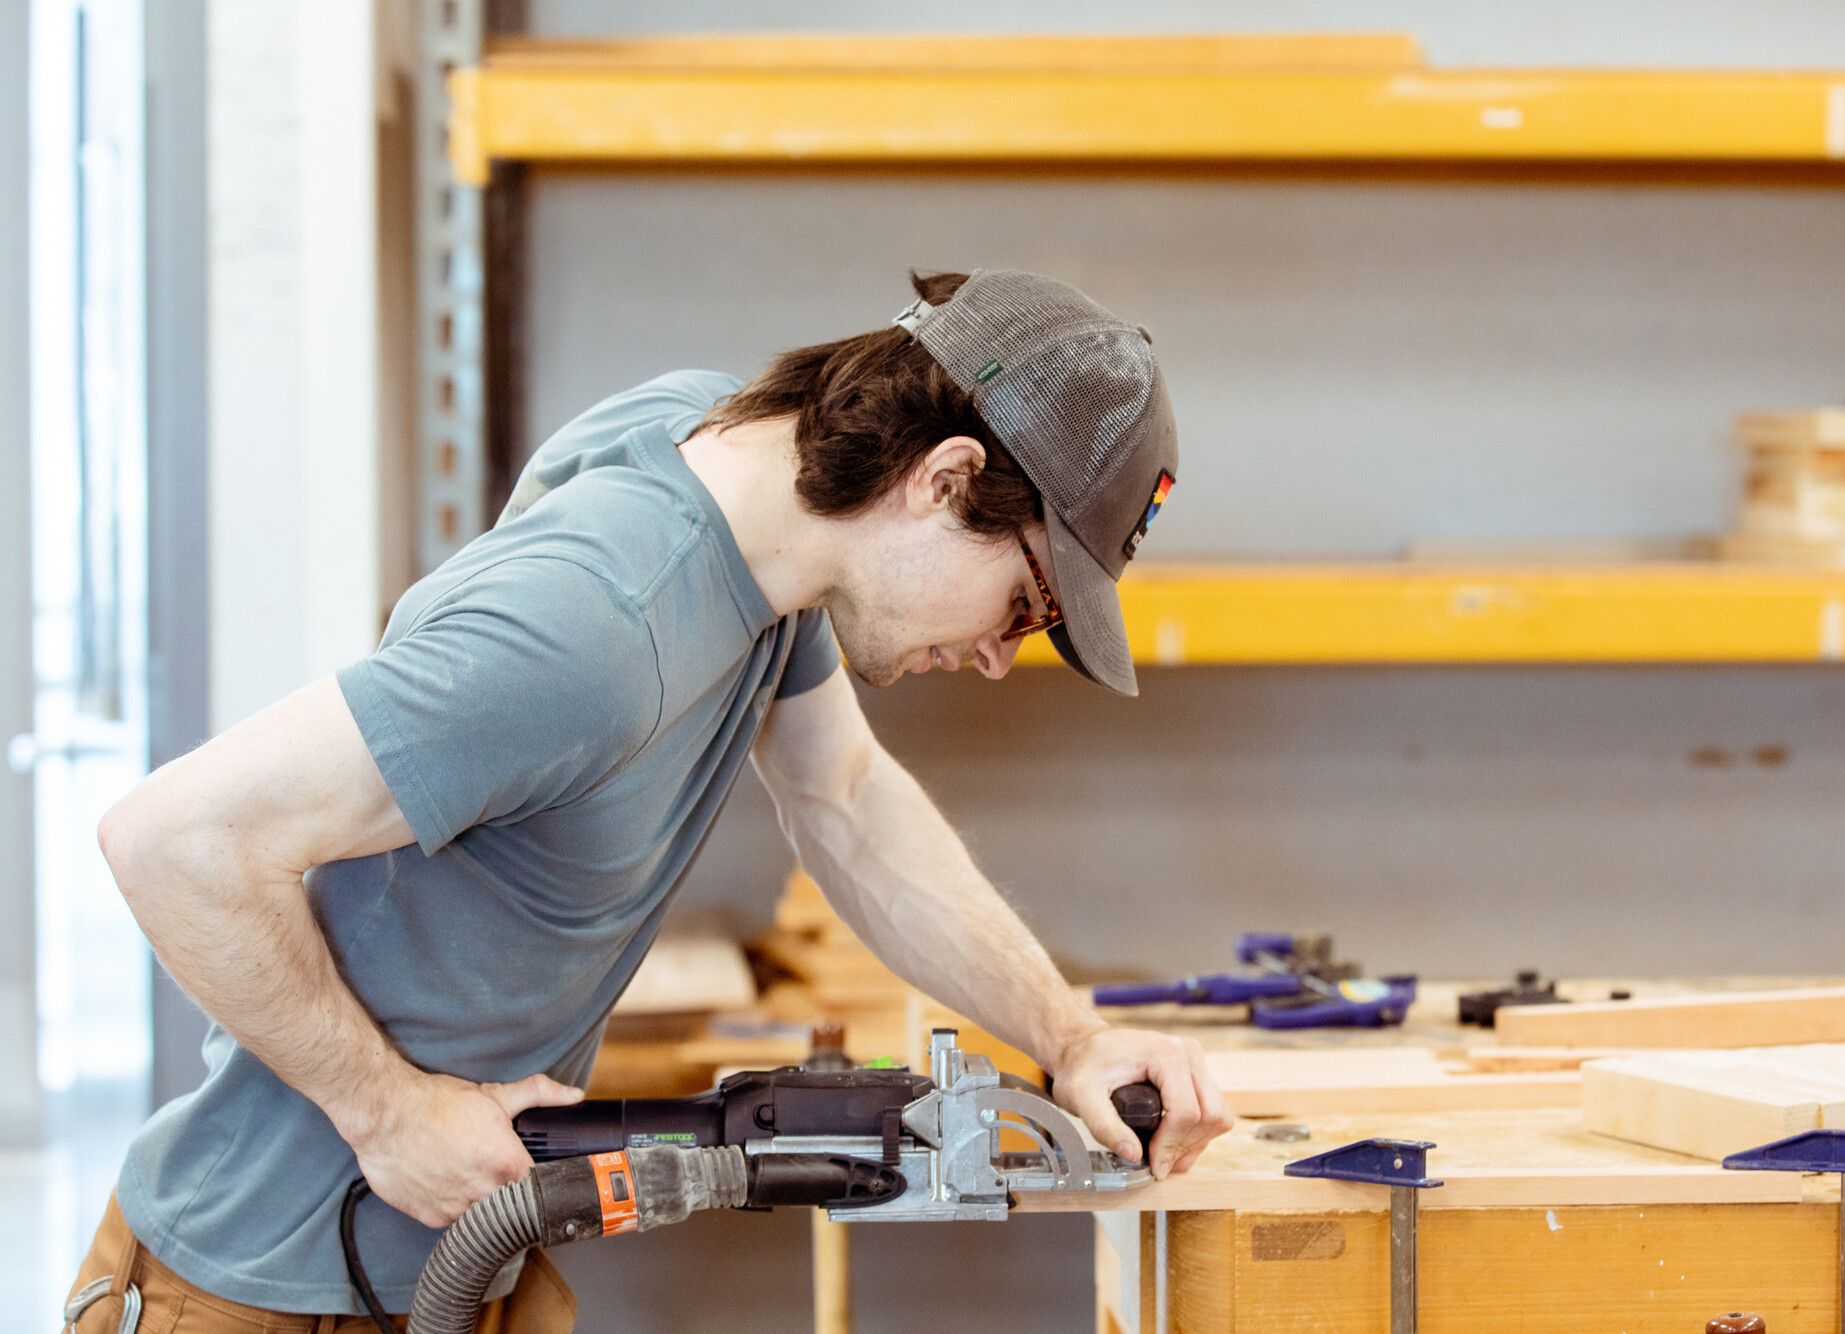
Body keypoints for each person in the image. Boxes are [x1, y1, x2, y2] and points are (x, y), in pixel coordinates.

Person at [67, 269, 1233, 1330]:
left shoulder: (736, 487)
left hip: (427, 1263)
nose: (996, 655)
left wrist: (1070, 1036)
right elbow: (174, 837)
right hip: (264, 1278)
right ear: (944, 478)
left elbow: (844, 796)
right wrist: (385, 1109)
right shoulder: (592, 630)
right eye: (1025, 602)